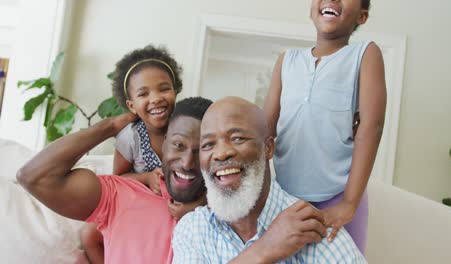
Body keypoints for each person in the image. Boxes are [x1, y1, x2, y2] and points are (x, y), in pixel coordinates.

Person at [17, 97, 327, 263]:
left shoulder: (231, 214)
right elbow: (34, 177)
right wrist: (114, 124)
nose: (188, 162)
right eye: (178, 145)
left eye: (202, 148)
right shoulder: (123, 193)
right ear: (162, 146)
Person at [172, 97, 366, 263]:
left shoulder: (312, 228)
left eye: (238, 138)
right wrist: (265, 249)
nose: (221, 153)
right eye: (208, 144)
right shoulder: (193, 229)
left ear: (268, 148)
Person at [263, 0, 387, 253]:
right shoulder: (287, 60)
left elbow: (371, 128)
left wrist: (349, 203)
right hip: (285, 198)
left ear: (361, 17)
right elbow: (264, 131)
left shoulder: (365, 54)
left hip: (339, 196)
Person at [80, 45, 204, 263]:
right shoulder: (130, 136)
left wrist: (197, 204)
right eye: (143, 94)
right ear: (132, 105)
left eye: (163, 89)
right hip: (144, 200)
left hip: (183, 196)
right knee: (88, 233)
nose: (155, 98)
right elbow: (118, 179)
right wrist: (146, 178)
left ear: (175, 92)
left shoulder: (186, 126)